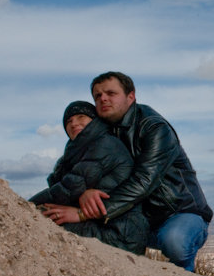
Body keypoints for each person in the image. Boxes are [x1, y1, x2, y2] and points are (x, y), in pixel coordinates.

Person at [79, 72, 213, 272]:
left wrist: (84, 213)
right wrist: (85, 192)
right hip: (137, 216)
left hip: (178, 212)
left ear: (130, 96)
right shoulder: (101, 133)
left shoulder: (153, 127)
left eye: (110, 93)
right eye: (97, 96)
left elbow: (143, 181)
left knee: (175, 242)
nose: (103, 99)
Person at [30, 101, 153, 254]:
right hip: (102, 224)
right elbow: (60, 184)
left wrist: (23, 205)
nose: (74, 123)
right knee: (44, 217)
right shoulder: (74, 153)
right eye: (68, 121)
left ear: (94, 120)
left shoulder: (105, 144)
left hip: (121, 232)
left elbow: (70, 187)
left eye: (81, 117)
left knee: (41, 224)